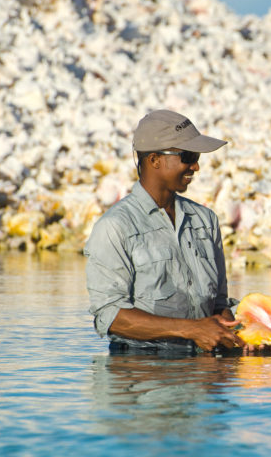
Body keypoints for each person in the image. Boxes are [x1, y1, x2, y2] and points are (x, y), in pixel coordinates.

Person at [85, 109, 246, 354]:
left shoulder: (206, 220)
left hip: (202, 372)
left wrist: (239, 338)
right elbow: (111, 316)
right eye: (188, 156)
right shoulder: (115, 227)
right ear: (154, 160)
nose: (196, 166)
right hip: (142, 369)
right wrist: (192, 330)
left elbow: (219, 305)